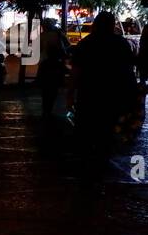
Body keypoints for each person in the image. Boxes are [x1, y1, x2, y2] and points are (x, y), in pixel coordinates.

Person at [68, 11, 138, 146]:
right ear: (112, 25)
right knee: (109, 132)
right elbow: (128, 70)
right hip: (113, 94)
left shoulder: (85, 43)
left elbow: (76, 71)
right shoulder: (121, 44)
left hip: (89, 94)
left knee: (88, 134)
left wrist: (70, 94)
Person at [36, 18, 69, 123]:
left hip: (45, 64)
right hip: (55, 63)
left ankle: (46, 110)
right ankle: (48, 110)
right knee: (53, 89)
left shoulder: (42, 36)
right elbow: (66, 47)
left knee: (45, 90)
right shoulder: (58, 34)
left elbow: (37, 49)